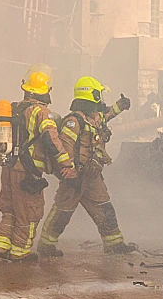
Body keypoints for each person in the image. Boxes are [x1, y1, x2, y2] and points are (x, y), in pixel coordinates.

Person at [37, 76, 137, 257]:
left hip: (93, 176)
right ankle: (46, 244)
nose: (101, 100)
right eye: (98, 95)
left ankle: (114, 243)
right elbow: (65, 147)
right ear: (90, 96)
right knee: (62, 212)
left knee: (105, 208)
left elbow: (107, 115)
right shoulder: (73, 121)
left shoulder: (95, 118)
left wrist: (120, 106)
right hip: (75, 177)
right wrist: (69, 171)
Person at [0, 67, 77, 262]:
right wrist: (67, 163)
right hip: (26, 171)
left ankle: (2, 245)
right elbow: (51, 139)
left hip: (8, 167)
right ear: (45, 90)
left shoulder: (14, 109)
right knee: (29, 212)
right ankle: (20, 252)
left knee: (10, 209)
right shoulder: (41, 112)